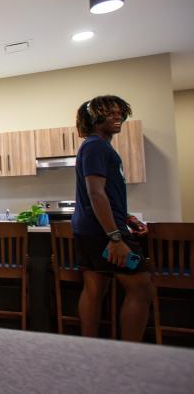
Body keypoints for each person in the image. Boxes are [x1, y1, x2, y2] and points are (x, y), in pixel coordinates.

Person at [72, 95, 154, 342]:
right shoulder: (96, 145)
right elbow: (95, 193)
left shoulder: (96, 146)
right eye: (109, 112)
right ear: (93, 117)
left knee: (95, 288)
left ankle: (91, 349)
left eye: (120, 112)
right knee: (141, 289)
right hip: (105, 234)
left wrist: (126, 216)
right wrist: (115, 236)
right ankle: (129, 354)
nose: (118, 116)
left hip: (91, 230)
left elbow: (105, 193)